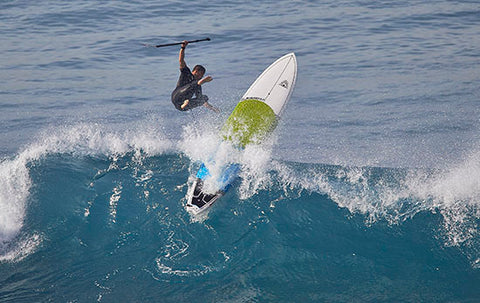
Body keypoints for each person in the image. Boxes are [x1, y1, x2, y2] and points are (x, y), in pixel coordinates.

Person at [171, 40, 219, 112]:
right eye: (200, 75)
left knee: (204, 98)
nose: (201, 77)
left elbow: (201, 101)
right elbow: (181, 60)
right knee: (196, 84)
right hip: (177, 95)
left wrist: (213, 109)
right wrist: (183, 48)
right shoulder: (186, 73)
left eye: (202, 76)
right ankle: (184, 103)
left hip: (181, 106)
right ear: (195, 71)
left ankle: (184, 104)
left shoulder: (198, 85)